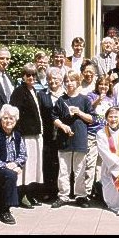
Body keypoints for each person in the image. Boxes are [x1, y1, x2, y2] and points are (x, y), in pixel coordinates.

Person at [50, 69, 95, 209]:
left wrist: (79, 112)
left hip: (80, 139)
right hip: (64, 139)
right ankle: (63, 196)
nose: (69, 83)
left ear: (78, 82)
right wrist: (62, 126)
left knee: (80, 169)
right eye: (67, 81)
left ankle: (80, 196)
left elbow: (92, 118)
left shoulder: (84, 99)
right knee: (63, 170)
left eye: (72, 80)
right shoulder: (61, 100)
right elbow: (54, 117)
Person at [9, 63, 44, 208]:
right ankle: (22, 195)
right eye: (28, 75)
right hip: (25, 135)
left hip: (35, 134)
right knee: (26, 166)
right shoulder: (19, 91)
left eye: (33, 75)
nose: (31, 77)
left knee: (34, 166)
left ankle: (30, 193)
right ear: (23, 76)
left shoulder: (34, 91)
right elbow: (14, 114)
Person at [85, 76, 116, 201]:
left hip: (106, 134)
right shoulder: (91, 95)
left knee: (101, 164)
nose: (103, 87)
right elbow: (88, 108)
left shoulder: (112, 98)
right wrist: (98, 100)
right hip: (93, 133)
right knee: (90, 163)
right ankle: (86, 192)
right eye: (101, 84)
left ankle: (99, 190)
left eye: (106, 85)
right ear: (97, 85)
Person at [37, 67, 65, 200]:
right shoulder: (42, 94)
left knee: (62, 163)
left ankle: (64, 190)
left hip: (64, 134)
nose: (52, 81)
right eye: (49, 79)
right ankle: (49, 191)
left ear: (61, 80)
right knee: (48, 163)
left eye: (55, 78)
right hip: (48, 134)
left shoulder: (66, 94)